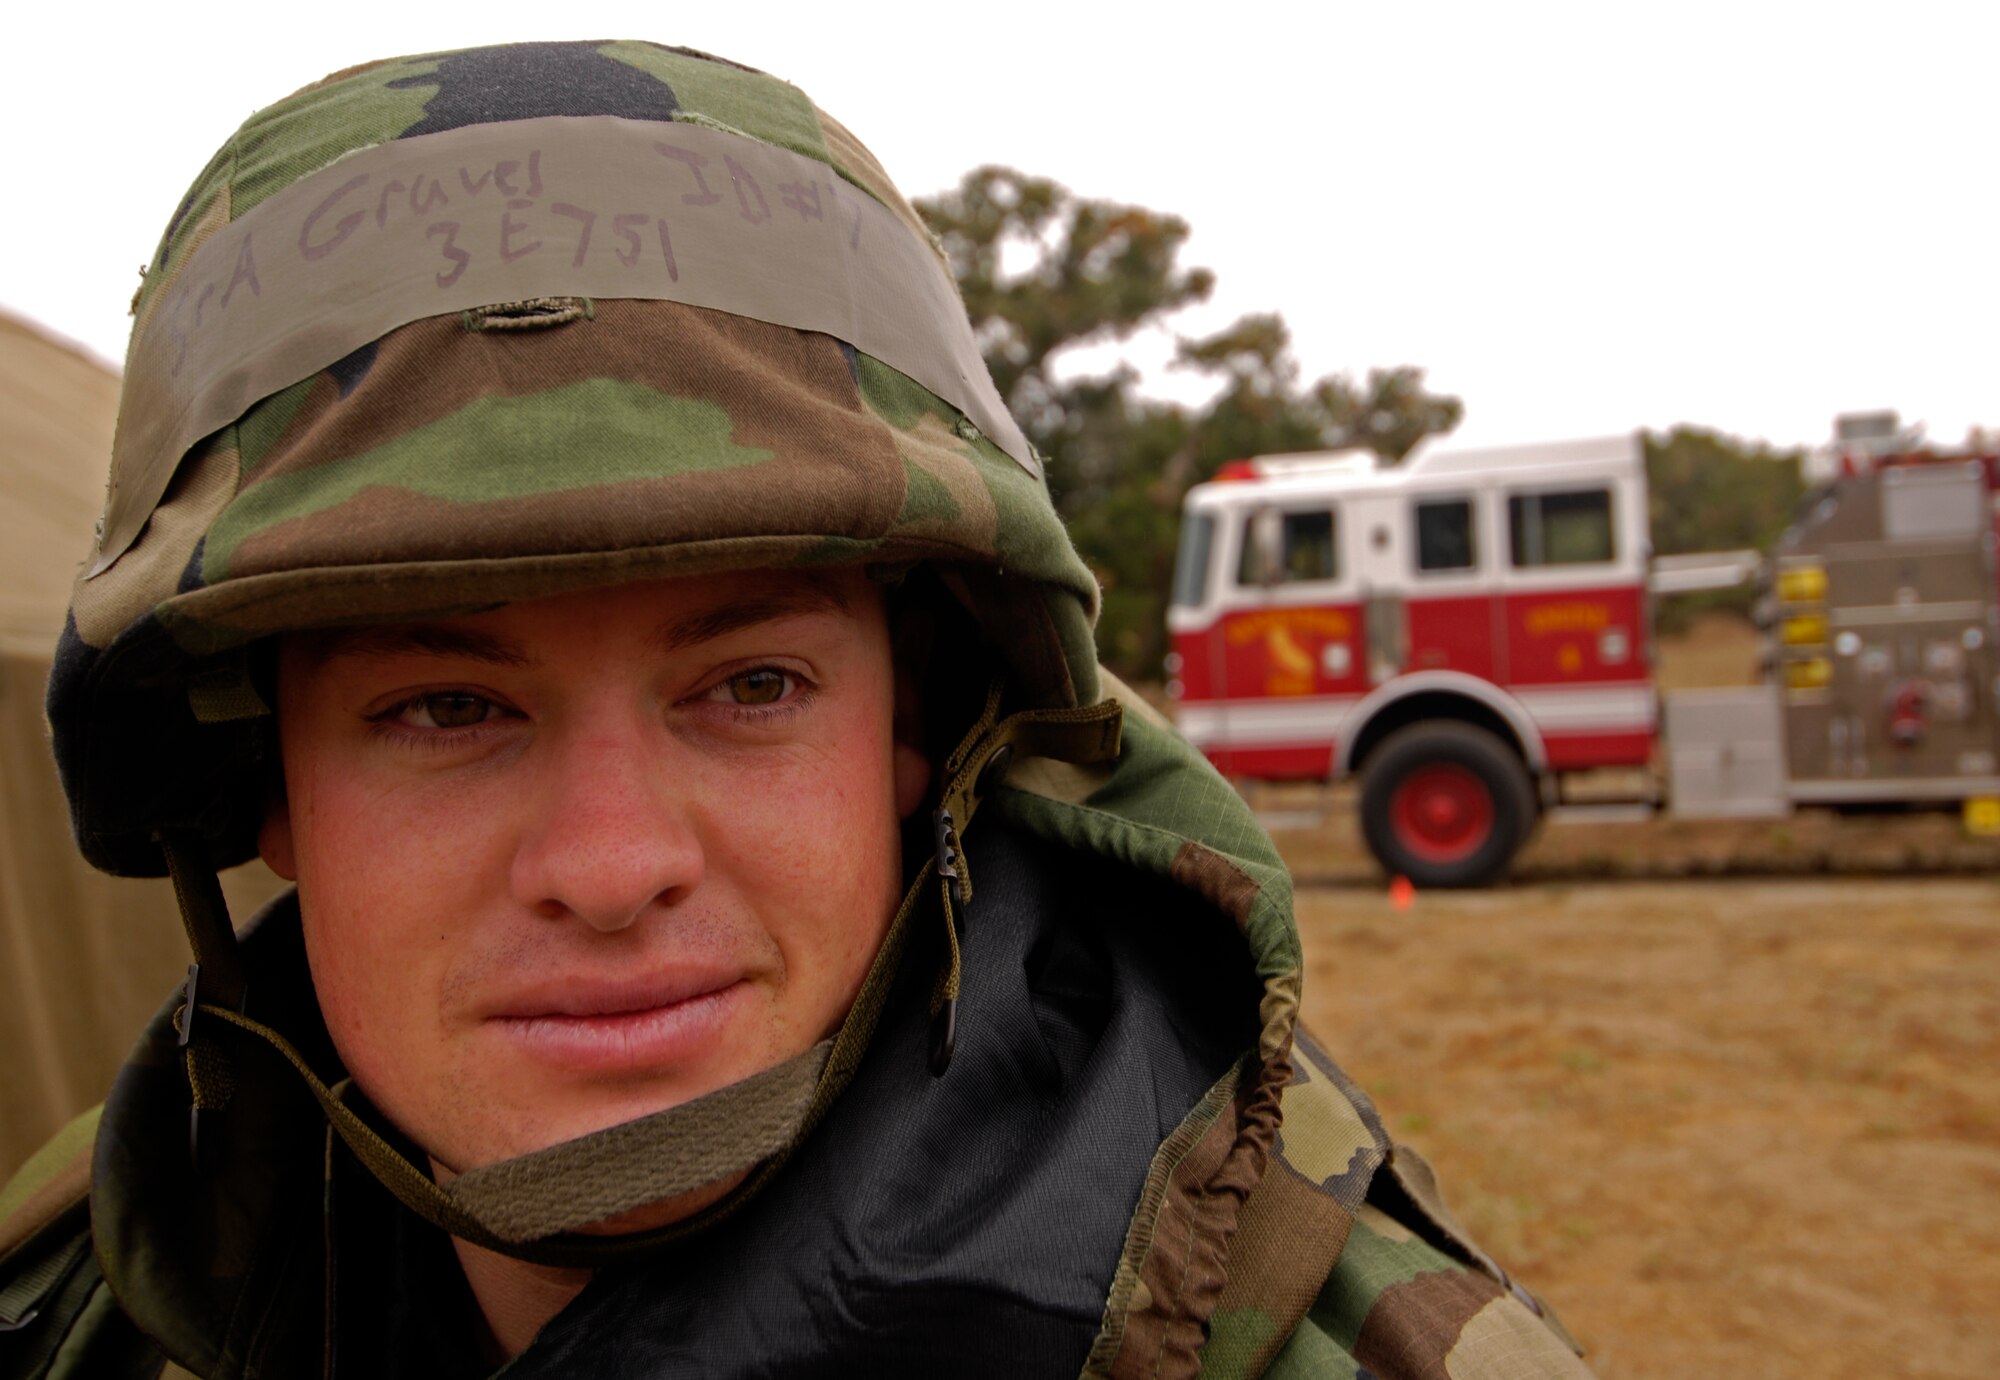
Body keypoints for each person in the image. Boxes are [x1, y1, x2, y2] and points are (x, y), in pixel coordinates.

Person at [0, 41, 1591, 1379]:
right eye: (443, 709)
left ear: (924, 734)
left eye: (749, 686)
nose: (613, 866)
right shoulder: (77, 1299)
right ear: (255, 782)